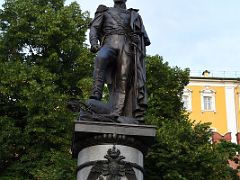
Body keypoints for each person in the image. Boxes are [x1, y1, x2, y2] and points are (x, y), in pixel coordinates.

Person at [88, 0, 150, 123]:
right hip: (109, 42)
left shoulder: (134, 15)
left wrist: (137, 39)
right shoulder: (104, 11)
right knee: (101, 58)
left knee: (124, 79)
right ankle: (96, 93)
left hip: (126, 46)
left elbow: (144, 38)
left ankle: (117, 112)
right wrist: (94, 43)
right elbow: (94, 28)